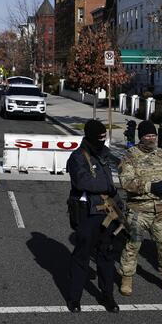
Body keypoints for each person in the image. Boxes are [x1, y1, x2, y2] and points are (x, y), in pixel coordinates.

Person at [117, 120, 162, 298]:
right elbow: (126, 182)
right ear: (141, 137)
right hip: (139, 211)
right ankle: (127, 278)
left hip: (161, 211)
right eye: (147, 135)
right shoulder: (130, 156)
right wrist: (150, 187)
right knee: (133, 246)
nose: (151, 138)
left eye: (153, 135)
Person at [65, 119, 123, 313]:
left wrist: (118, 204)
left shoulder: (104, 155)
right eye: (99, 138)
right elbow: (82, 182)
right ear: (90, 137)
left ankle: (107, 296)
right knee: (81, 256)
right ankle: (74, 298)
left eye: (103, 137)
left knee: (106, 256)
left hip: (107, 213)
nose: (102, 141)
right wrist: (106, 187)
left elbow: (111, 184)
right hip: (87, 215)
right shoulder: (77, 157)